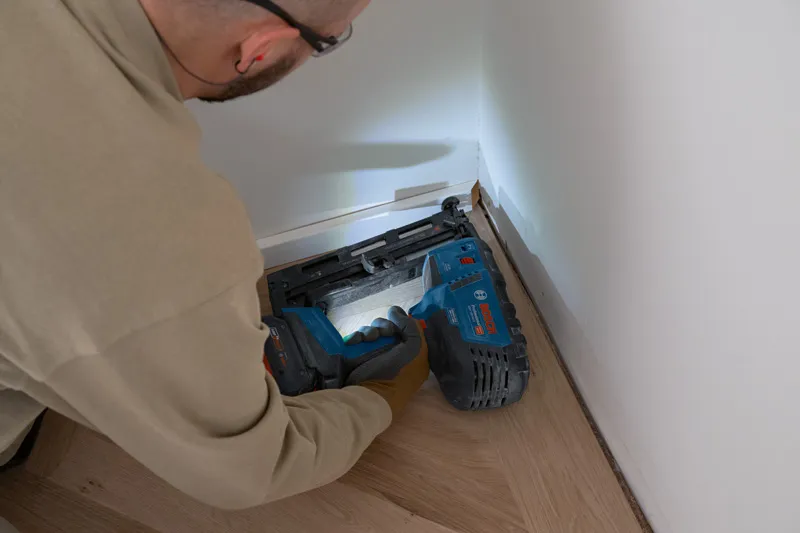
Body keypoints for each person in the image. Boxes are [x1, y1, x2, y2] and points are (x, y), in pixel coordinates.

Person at [0, 0, 430, 510]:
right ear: (257, 48)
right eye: (330, 39)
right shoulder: (157, 230)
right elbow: (256, 467)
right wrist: (381, 394)